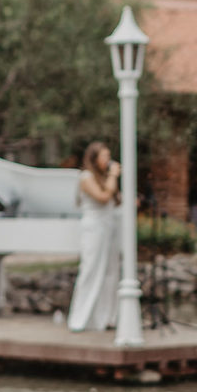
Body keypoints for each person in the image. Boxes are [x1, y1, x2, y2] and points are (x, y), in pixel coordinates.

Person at [66, 141, 122, 332]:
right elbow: (103, 197)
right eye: (104, 155)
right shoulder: (86, 177)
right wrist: (114, 175)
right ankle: (81, 319)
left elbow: (114, 200)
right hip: (94, 229)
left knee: (110, 272)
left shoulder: (103, 176)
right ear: (94, 158)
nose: (108, 160)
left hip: (109, 228)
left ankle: (107, 317)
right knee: (91, 270)